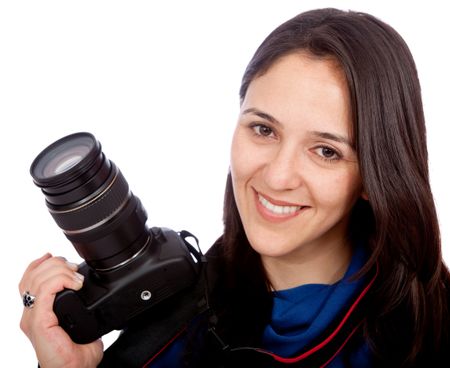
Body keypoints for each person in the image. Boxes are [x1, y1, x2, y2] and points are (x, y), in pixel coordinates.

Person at [19, 8, 450, 367]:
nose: (278, 176)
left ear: (375, 177)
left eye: (326, 151)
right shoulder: (171, 323)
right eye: (263, 129)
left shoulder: (431, 330)